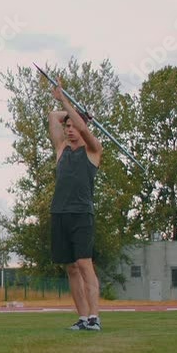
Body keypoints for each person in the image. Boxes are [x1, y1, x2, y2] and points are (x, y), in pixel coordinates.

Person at [48, 82, 103, 331]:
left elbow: (81, 126)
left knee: (84, 264)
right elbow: (53, 116)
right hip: (59, 214)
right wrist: (71, 111)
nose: (69, 129)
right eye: (67, 126)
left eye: (73, 126)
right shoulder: (61, 150)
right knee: (70, 268)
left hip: (82, 214)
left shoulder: (93, 151)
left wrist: (68, 106)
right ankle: (82, 318)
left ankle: (94, 317)